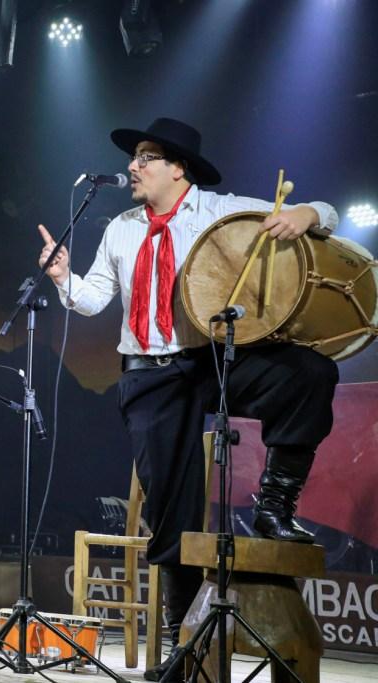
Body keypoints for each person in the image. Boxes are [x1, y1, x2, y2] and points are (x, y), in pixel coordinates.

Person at [37, 118, 339, 681]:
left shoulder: (219, 211)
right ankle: (182, 643)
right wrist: (62, 277)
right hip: (148, 376)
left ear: (178, 168)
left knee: (308, 373)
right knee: (171, 510)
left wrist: (306, 214)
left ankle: (276, 506)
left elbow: (325, 212)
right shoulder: (122, 228)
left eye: (145, 157)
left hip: (208, 360)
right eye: (134, 157)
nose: (133, 166)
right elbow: (94, 299)